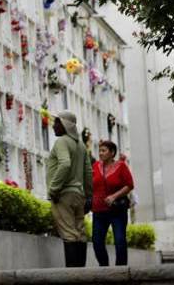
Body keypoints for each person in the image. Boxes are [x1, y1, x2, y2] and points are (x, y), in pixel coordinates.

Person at [46, 111, 93, 267]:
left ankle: (72, 276)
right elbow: (88, 172)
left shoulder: (62, 142)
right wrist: (89, 195)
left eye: (56, 122)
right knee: (80, 233)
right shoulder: (81, 146)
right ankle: (81, 275)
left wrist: (54, 189)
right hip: (79, 195)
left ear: (65, 124)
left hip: (63, 195)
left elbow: (65, 164)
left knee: (69, 234)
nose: (53, 126)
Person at [91, 140, 134, 266]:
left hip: (117, 210)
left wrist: (114, 196)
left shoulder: (121, 166)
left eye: (104, 151)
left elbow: (129, 185)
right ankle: (105, 269)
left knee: (120, 241)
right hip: (99, 211)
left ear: (112, 153)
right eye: (100, 151)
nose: (100, 153)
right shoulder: (95, 166)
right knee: (97, 242)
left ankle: (120, 271)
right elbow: (90, 184)